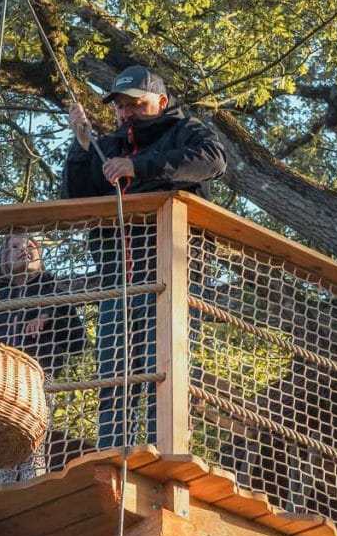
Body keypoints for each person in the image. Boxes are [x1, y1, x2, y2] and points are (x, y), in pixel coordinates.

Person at [62, 65, 227, 448]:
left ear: (162, 101)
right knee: (113, 377)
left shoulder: (184, 131)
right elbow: (75, 198)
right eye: (121, 106)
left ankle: (163, 453)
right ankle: (111, 454)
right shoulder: (109, 146)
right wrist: (82, 146)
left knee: (164, 371)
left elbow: (213, 160)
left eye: (135, 103)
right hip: (116, 282)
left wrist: (138, 167)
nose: (127, 113)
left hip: (171, 278)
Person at [0, 233, 86, 481]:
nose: (24, 249)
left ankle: (33, 483)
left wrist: (50, 316)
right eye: (15, 247)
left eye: (31, 245)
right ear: (3, 258)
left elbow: (79, 342)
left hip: (39, 375)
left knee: (32, 433)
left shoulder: (52, 291)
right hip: (1, 377)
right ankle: (1, 489)